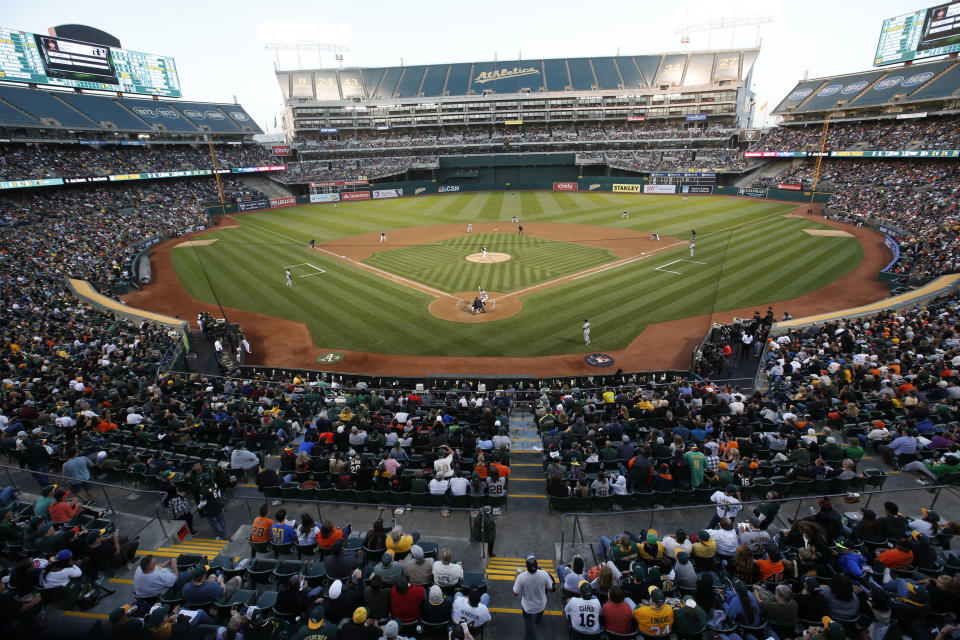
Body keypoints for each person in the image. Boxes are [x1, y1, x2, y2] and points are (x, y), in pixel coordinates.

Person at [513, 554, 555, 640]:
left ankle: (531, 637)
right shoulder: (544, 574)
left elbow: (515, 593)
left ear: (526, 567)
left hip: (527, 607)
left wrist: (516, 578)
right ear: (537, 565)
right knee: (539, 612)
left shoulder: (521, 577)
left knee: (528, 621)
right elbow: (551, 589)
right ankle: (537, 620)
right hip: (541, 605)